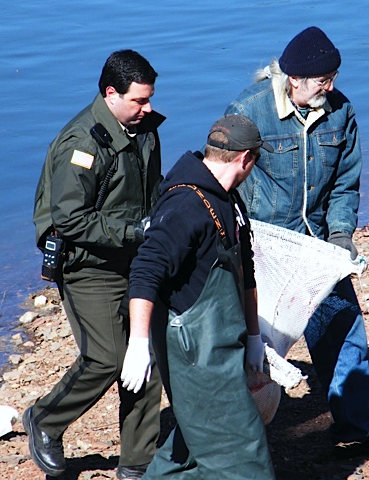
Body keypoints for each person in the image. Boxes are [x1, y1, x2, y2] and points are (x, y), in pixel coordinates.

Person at [225, 26, 369, 458]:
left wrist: (341, 235)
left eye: (334, 78)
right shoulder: (248, 112)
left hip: (317, 249)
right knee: (252, 346)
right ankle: (236, 444)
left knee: (345, 331)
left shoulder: (341, 112)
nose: (331, 88)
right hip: (263, 250)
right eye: (323, 81)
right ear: (294, 80)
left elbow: (346, 183)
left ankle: (353, 430)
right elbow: (222, 178)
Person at [26, 49, 165, 479]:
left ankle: (137, 462)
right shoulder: (82, 143)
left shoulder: (144, 129)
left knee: (147, 352)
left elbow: (152, 189)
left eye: (150, 98)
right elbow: (69, 218)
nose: (148, 108)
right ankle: (45, 420)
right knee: (106, 358)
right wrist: (136, 231)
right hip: (87, 265)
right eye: (139, 100)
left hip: (133, 257)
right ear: (110, 93)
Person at [120, 114, 277, 478]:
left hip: (225, 344)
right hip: (196, 355)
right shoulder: (184, 206)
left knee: (190, 448)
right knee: (243, 458)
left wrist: (254, 336)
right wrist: (139, 343)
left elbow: (246, 271)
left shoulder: (229, 200)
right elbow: (145, 270)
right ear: (246, 159)